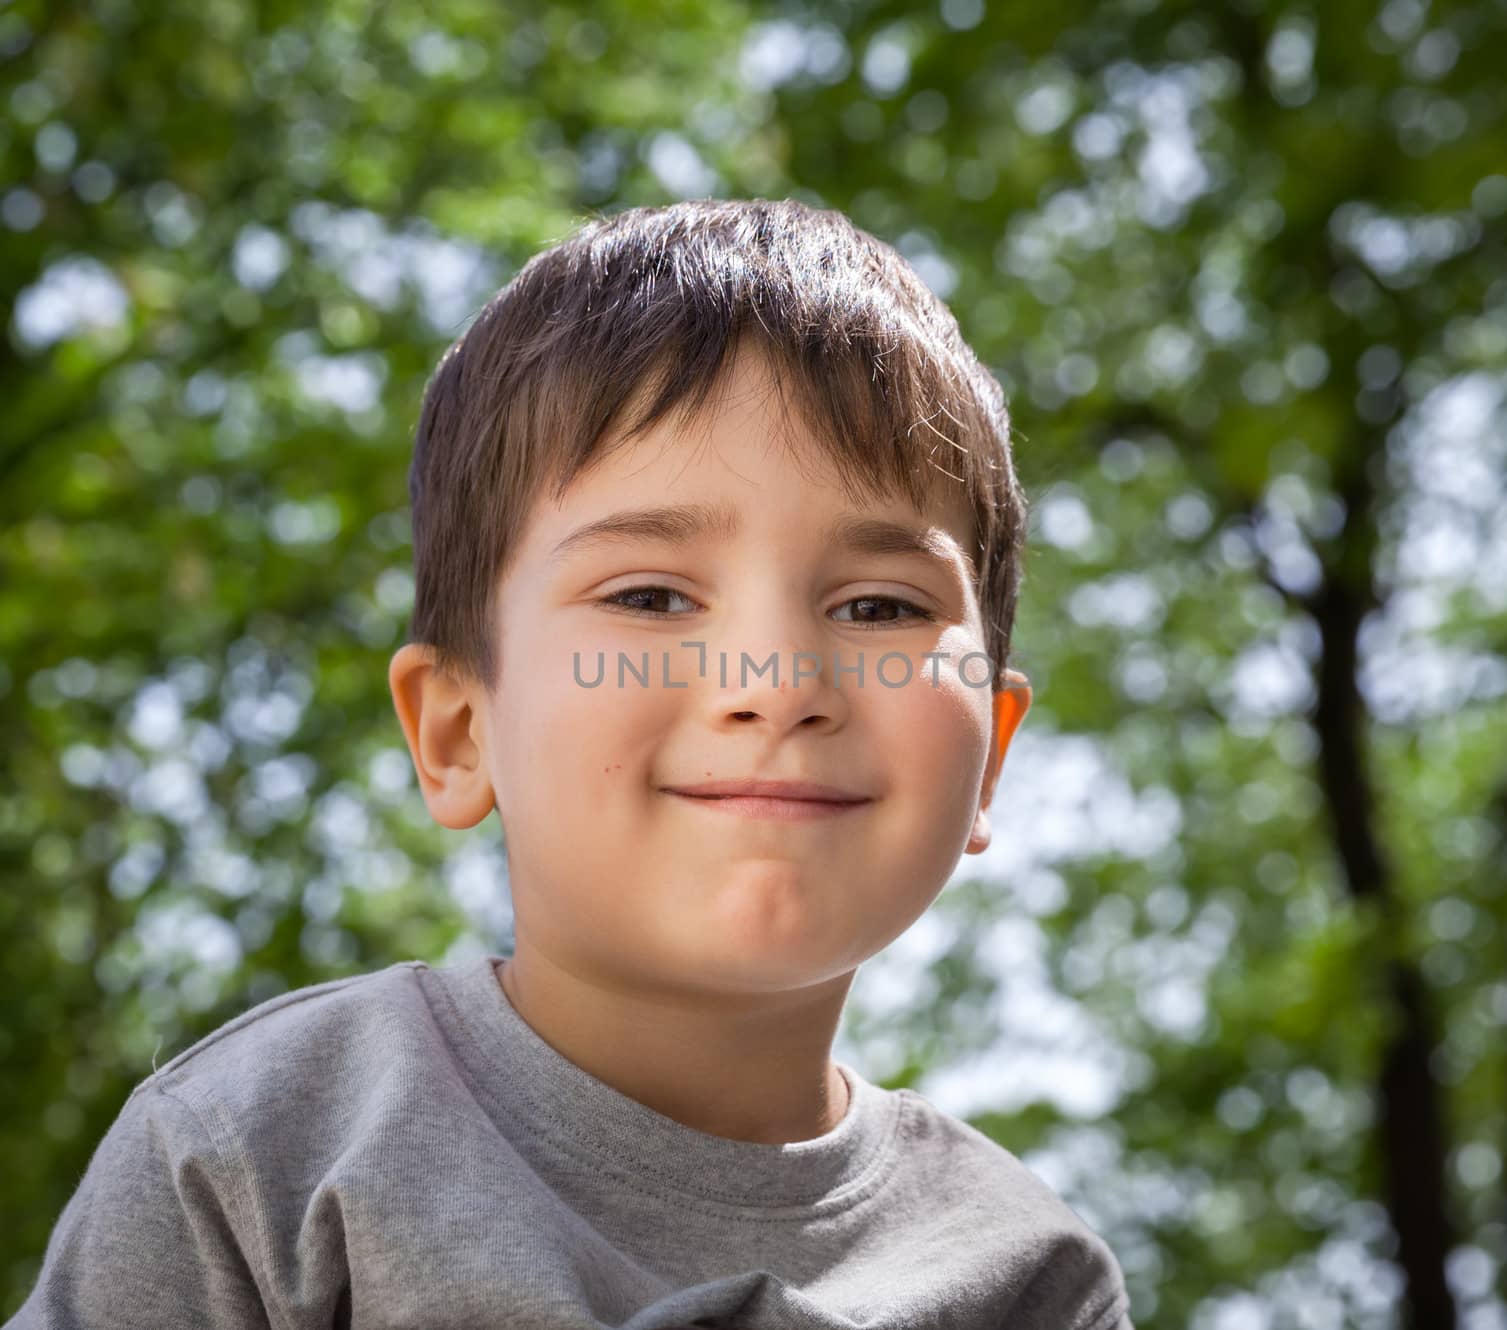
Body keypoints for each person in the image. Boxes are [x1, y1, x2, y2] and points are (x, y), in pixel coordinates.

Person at [9, 198, 1135, 1329]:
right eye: (649, 595)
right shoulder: (261, 1151)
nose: (778, 678)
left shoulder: (1034, 1280)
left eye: (880, 605)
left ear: (989, 755)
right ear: (456, 732)